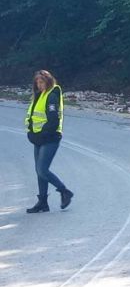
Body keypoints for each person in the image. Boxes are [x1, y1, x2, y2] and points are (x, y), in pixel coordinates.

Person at [24, 70, 73, 213]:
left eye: (42, 82)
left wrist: (41, 135)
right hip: (39, 138)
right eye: (37, 82)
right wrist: (31, 133)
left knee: (42, 170)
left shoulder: (51, 96)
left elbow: (53, 120)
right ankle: (43, 202)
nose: (39, 85)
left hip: (50, 138)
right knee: (39, 172)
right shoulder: (39, 96)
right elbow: (33, 117)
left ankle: (64, 191)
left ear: (48, 81)